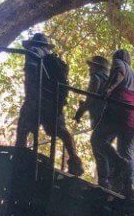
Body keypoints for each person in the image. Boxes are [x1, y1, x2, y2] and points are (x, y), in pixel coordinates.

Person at [15, 32, 83, 176]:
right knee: (61, 130)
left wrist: (31, 97)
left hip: (37, 98)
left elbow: (31, 73)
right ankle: (75, 160)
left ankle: (18, 157)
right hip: (53, 100)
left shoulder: (33, 52)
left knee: (23, 128)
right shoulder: (52, 59)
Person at [91, 49, 134, 198]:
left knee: (97, 139)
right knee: (127, 150)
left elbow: (118, 74)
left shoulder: (119, 63)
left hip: (119, 108)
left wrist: (109, 88)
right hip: (133, 114)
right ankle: (129, 188)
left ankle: (118, 163)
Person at [74, 55, 110, 130]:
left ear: (97, 67)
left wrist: (80, 112)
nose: (89, 68)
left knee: (96, 140)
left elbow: (91, 98)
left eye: (92, 66)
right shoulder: (109, 80)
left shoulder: (96, 77)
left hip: (100, 117)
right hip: (109, 116)